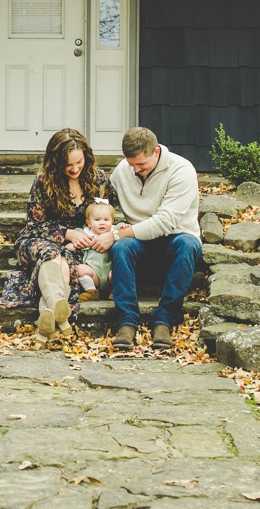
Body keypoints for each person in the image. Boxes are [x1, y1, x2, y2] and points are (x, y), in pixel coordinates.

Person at [84, 126, 202, 352]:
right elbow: (98, 201)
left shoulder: (182, 170)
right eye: (131, 165)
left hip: (175, 239)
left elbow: (165, 222)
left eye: (141, 165)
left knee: (187, 244)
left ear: (156, 152)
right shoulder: (123, 170)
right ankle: (127, 322)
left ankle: (164, 320)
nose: (136, 170)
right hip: (139, 245)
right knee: (122, 247)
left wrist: (117, 233)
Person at [0, 128, 109, 343]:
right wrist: (67, 233)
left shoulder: (98, 180)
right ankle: (58, 310)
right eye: (68, 164)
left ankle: (51, 314)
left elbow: (111, 214)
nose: (74, 169)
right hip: (40, 239)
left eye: (79, 162)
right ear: (56, 161)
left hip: (78, 247)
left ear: (86, 156)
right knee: (52, 255)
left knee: (64, 265)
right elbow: (34, 225)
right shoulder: (44, 181)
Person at [71, 200, 122, 302]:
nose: (102, 223)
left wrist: (124, 227)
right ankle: (92, 292)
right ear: (89, 223)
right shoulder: (85, 233)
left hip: (110, 274)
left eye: (106, 219)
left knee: (119, 271)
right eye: (97, 220)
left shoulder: (114, 231)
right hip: (94, 274)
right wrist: (71, 244)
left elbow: (122, 228)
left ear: (112, 221)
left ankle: (115, 291)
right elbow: (75, 238)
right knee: (80, 269)